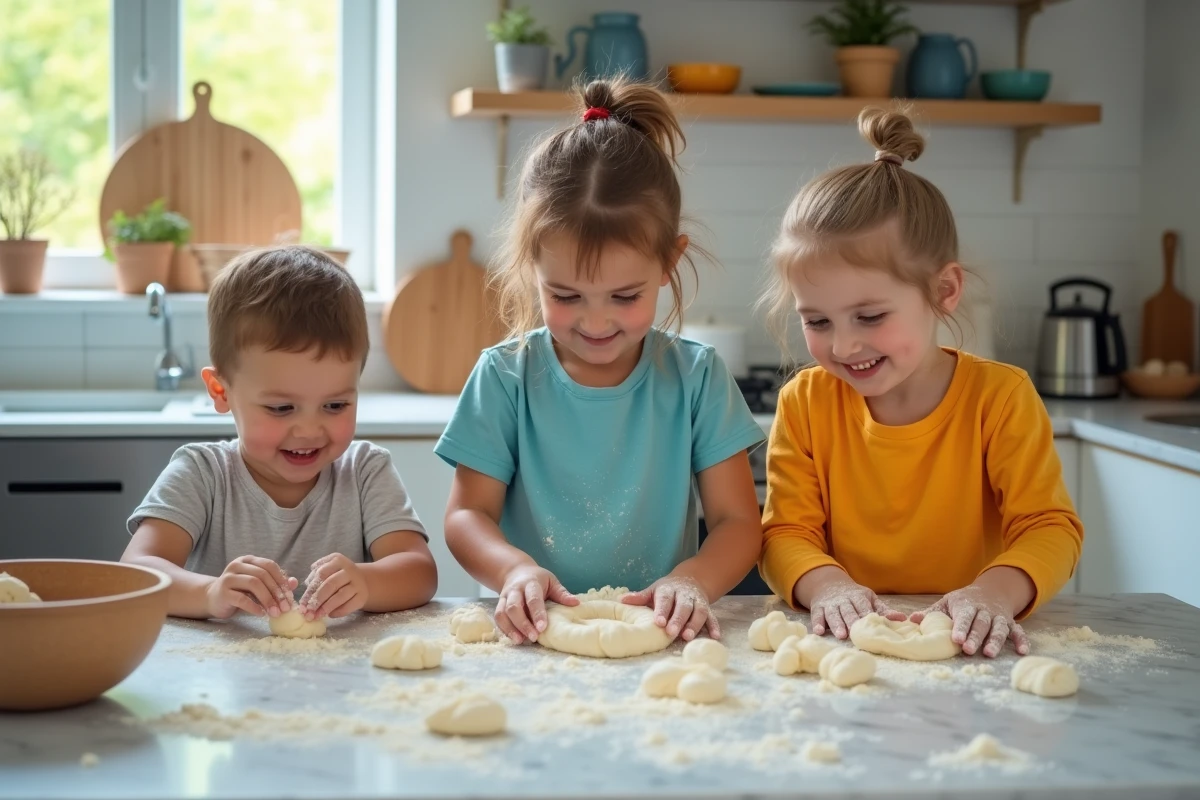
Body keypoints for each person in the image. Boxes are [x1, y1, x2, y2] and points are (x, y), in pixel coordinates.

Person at [436, 78, 765, 646]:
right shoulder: (505, 377)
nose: (594, 321)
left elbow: (738, 524)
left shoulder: (697, 378)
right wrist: (514, 571)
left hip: (659, 637)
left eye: (624, 296)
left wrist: (693, 580)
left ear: (669, 262)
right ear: (531, 266)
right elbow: (467, 516)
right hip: (533, 635)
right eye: (566, 296)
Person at [757, 107, 1084, 658]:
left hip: (969, 645)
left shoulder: (1000, 398)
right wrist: (826, 586)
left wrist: (993, 594)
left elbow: (1049, 528)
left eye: (869, 316)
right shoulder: (805, 403)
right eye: (817, 321)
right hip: (843, 648)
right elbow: (785, 534)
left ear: (943, 291)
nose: (844, 346)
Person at [122, 246, 437, 620]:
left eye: (335, 405)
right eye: (281, 408)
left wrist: (367, 583)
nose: (309, 430)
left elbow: (420, 572)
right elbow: (138, 572)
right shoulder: (202, 473)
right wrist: (208, 592)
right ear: (221, 392)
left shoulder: (365, 471)